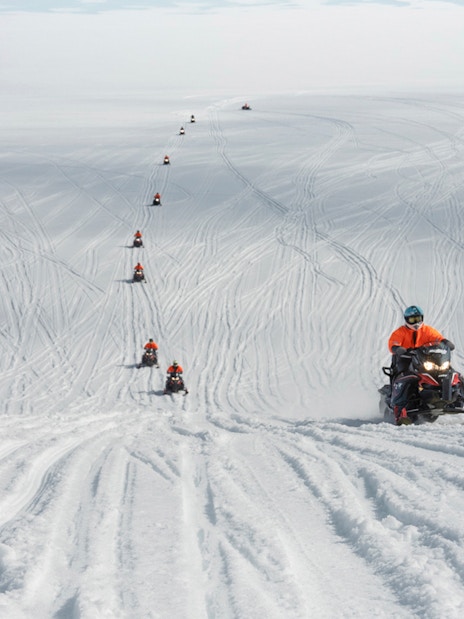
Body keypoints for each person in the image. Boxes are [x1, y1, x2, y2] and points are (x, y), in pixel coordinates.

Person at [388, 305, 454, 423]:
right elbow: (393, 342)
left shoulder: (427, 330)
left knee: (451, 372)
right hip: (405, 358)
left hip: (423, 358)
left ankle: (454, 396)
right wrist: (397, 348)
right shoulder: (400, 332)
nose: (416, 323)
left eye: (418, 319)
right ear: (406, 320)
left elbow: (437, 338)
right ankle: (400, 407)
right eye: (412, 320)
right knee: (406, 377)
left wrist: (445, 342)